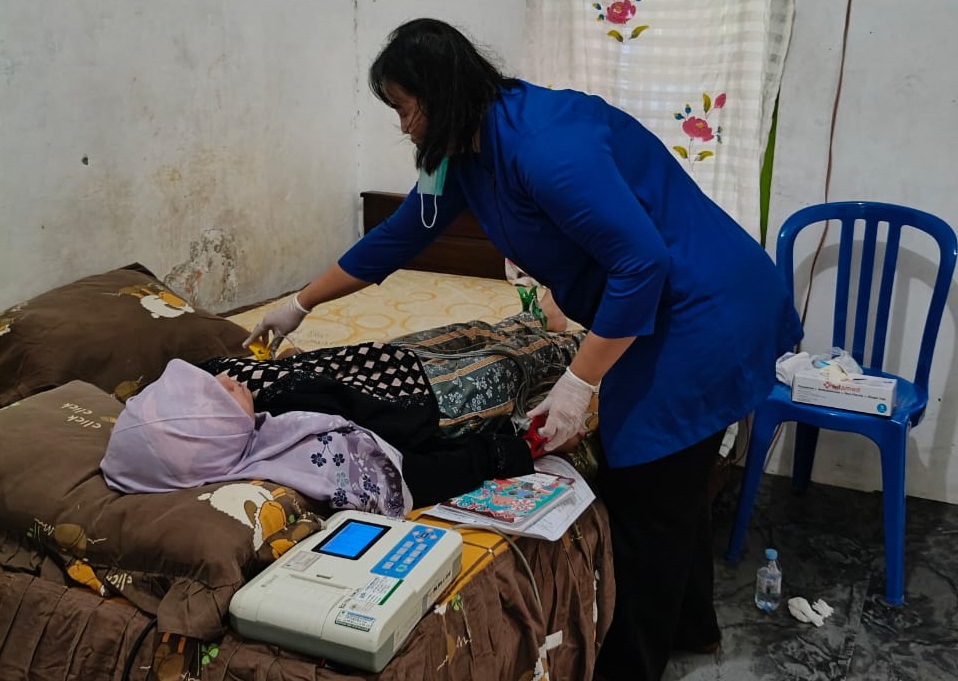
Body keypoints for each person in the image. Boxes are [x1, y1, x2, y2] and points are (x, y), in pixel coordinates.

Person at [244, 18, 803, 681]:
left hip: (705, 306)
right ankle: (694, 626)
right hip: (664, 306)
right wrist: (299, 303)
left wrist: (579, 383)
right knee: (671, 479)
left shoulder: (544, 146)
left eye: (405, 107)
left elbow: (643, 266)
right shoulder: (464, 157)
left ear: (441, 90)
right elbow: (395, 238)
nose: (403, 126)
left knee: (649, 478)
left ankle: (632, 665)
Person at [101, 354, 546, 513]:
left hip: (386, 370)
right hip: (424, 408)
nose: (222, 384)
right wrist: (503, 454)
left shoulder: (255, 422)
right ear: (206, 450)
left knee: (476, 342)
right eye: (206, 407)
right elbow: (415, 474)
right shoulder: (310, 463)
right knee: (512, 367)